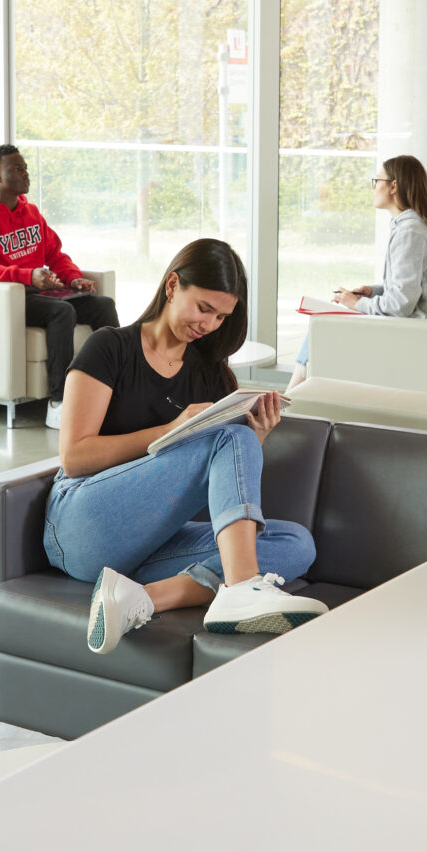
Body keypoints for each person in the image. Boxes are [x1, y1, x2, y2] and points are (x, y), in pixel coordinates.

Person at [49, 239, 322, 652]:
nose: (210, 325)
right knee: (230, 437)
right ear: (173, 285)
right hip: (80, 525)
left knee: (296, 543)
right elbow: (74, 458)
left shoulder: (209, 375)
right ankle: (241, 587)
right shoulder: (110, 347)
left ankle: (140, 598)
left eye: (221, 317)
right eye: (204, 309)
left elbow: (210, 485)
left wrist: (255, 438)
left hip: (147, 545)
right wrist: (173, 428)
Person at [0, 144, 117, 429]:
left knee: (103, 305)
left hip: (44, 292)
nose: (25, 174)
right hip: (13, 300)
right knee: (62, 312)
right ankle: (59, 403)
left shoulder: (30, 212)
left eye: (25, 167)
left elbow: (55, 253)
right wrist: (26, 275)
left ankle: (118, 385)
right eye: (16, 169)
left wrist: (73, 278)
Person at [291, 154, 427, 380]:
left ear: (393, 186)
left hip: (409, 330)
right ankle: (293, 394)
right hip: (415, 325)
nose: (373, 188)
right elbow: (410, 287)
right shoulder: (418, 226)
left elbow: (401, 305)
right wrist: (374, 291)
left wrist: (358, 303)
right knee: (325, 320)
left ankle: (292, 395)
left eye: (376, 181)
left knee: (323, 321)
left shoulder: (409, 232)